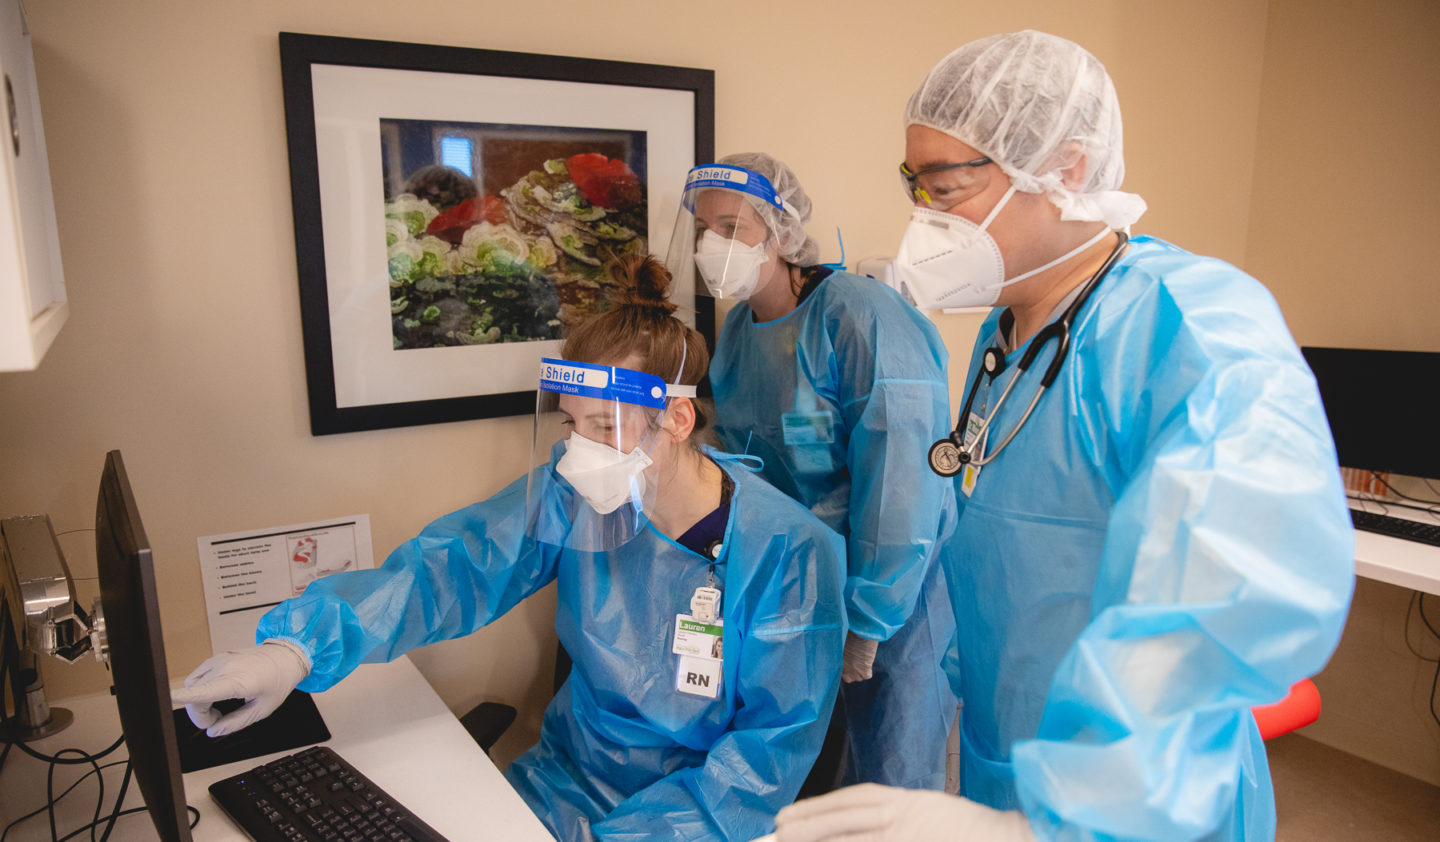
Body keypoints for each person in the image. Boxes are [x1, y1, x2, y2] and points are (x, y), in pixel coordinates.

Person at [775, 30, 1353, 842]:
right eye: (917, 187)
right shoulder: (1003, 334)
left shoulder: (1191, 323)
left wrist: (1064, 822)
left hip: (1142, 798)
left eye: (945, 188)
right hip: (1004, 752)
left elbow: (1245, 586)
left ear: (1068, 169)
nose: (922, 219)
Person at [174, 255, 848, 842]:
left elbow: (764, 760)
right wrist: (294, 649)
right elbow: (453, 567)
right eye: (572, 425)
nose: (580, 452)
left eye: (605, 426)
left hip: (692, 820)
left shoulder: (789, 553)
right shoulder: (577, 493)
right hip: (560, 789)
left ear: (675, 419)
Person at [667, 153, 959, 791]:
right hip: (804, 587)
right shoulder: (740, 330)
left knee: (891, 776)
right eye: (704, 230)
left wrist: (870, 618)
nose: (712, 245)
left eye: (732, 227)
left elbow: (904, 479)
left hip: (894, 595)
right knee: (810, 773)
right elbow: (751, 472)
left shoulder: (859, 315)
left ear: (782, 231)